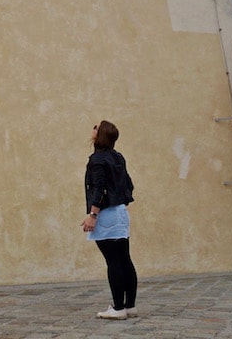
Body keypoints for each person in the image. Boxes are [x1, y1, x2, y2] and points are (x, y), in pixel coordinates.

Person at [81, 120, 137, 319]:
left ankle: (118, 308)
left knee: (113, 261)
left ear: (101, 133)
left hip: (106, 214)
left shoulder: (97, 160)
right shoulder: (117, 157)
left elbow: (99, 188)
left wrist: (93, 215)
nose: (93, 128)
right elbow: (128, 184)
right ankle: (130, 306)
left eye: (95, 127)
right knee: (125, 260)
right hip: (120, 212)